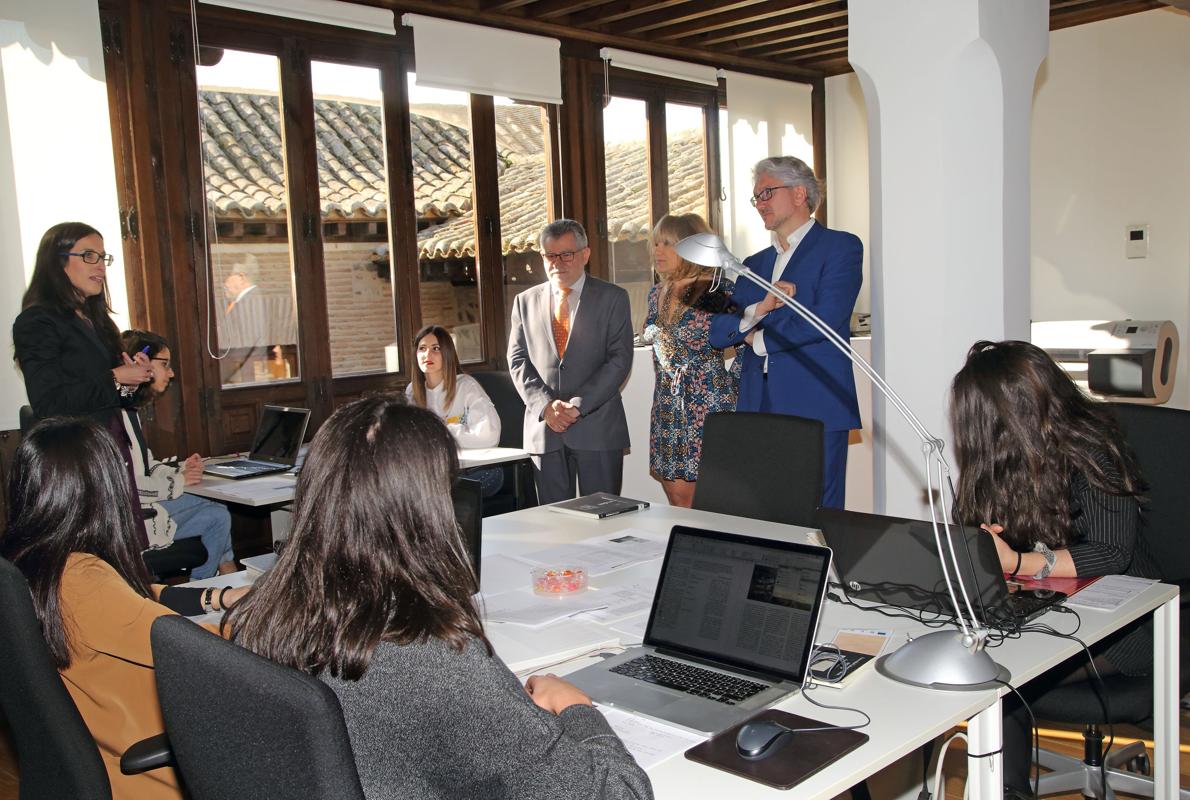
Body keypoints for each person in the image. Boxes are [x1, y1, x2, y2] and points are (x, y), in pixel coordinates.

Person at [224, 398, 652, 800]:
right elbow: (621, 793)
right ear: (426, 512)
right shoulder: (434, 659)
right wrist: (576, 707)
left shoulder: (267, 611)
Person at [950, 339, 1160, 795]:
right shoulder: (995, 462)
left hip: (1125, 627)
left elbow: (1110, 553)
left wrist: (1020, 561)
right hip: (1044, 611)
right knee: (974, 669)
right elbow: (969, 530)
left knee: (1002, 684)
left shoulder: (1092, 452)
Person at [1, 418, 248, 800]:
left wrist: (216, 597)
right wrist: (269, 617)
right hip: (149, 772)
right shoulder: (85, 581)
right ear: (103, 490)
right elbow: (200, 653)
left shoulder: (33, 562)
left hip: (98, 749)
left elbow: (134, 599)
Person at [709, 157, 863, 510]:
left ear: (798, 194)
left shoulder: (840, 247)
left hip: (814, 399)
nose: (759, 203)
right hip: (756, 402)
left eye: (766, 193)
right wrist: (756, 313)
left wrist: (757, 339)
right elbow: (718, 332)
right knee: (763, 510)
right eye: (755, 197)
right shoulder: (753, 263)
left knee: (818, 514)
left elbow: (826, 318)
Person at [13, 222, 155, 547]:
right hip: (76, 462)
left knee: (123, 553)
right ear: (57, 261)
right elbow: (49, 402)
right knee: (94, 560)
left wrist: (129, 381)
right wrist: (115, 377)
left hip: (110, 449)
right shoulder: (37, 321)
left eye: (104, 258)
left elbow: (107, 394)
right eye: (89, 256)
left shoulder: (97, 319)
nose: (100, 267)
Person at [508, 219, 634, 504]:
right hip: (546, 431)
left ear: (585, 254)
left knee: (604, 524)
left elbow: (619, 359)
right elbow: (517, 361)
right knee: (553, 528)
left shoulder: (613, 298)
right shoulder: (524, 302)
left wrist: (576, 407)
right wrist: (545, 406)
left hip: (597, 429)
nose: (558, 263)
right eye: (550, 255)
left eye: (567, 254)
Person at [121, 330, 237, 577]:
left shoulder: (130, 412)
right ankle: (221, 581)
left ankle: (208, 588)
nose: (171, 373)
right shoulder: (117, 417)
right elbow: (131, 486)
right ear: (138, 362)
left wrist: (181, 469)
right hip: (133, 520)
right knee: (218, 506)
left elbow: (148, 466)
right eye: (165, 364)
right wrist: (180, 481)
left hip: (145, 505)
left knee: (217, 515)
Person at [642, 213, 739, 508]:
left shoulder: (718, 289)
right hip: (668, 408)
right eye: (656, 244)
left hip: (707, 407)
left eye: (667, 244)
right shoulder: (657, 292)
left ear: (692, 248)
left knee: (705, 504)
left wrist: (730, 387)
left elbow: (748, 343)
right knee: (676, 497)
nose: (658, 251)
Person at [406, 324, 504, 497]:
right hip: (434, 472)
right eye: (422, 349)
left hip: (477, 470)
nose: (427, 355)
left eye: (435, 348)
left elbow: (489, 436)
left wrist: (442, 430)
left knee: (445, 491)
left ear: (447, 353)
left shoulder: (466, 386)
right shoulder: (412, 392)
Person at [219, 256, 270, 384]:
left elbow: (247, 342)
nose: (224, 283)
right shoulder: (243, 300)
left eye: (228, 276)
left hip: (245, 374)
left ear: (241, 278)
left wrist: (224, 374)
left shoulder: (251, 300)